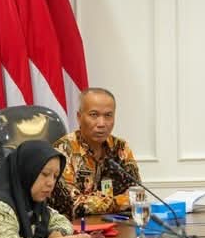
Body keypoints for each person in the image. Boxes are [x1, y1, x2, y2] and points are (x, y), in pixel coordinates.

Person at [51, 88, 140, 218]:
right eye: (94, 115)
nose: (101, 124)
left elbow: (137, 194)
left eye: (108, 115)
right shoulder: (63, 149)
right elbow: (71, 203)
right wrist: (119, 202)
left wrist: (97, 202)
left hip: (117, 224)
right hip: (75, 226)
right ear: (79, 117)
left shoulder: (120, 147)